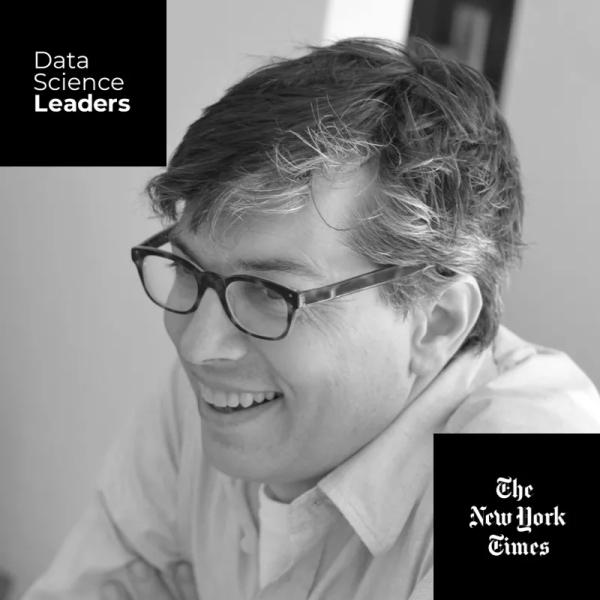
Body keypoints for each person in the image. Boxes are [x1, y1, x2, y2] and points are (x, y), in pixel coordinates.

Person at [23, 37, 600, 600]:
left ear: (437, 322)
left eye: (269, 291)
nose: (198, 346)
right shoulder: (210, 399)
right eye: (188, 268)